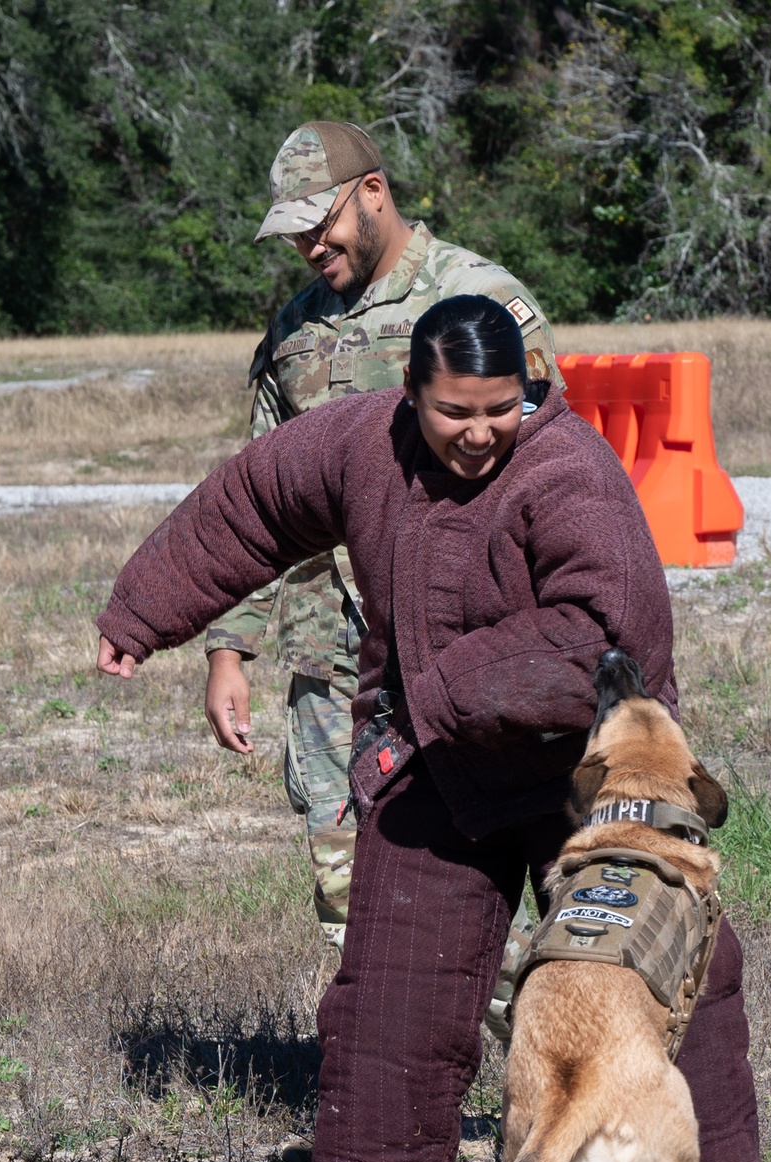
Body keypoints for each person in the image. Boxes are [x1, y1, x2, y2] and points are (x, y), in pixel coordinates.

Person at [97, 295, 771, 1162]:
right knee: (387, 1017)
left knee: (681, 975)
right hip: (434, 770)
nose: (480, 431)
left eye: (501, 408)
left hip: (585, 777)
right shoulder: (357, 445)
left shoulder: (568, 472)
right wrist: (143, 612)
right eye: (456, 411)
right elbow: (248, 509)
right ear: (411, 395)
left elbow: (599, 633)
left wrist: (439, 691)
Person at [204, 120, 561, 955]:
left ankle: (559, 1068)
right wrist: (231, 649)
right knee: (352, 897)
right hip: (330, 661)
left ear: (373, 193)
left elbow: (553, 472)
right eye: (291, 232)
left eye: (317, 222)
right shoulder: (295, 330)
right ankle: (408, 1075)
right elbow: (258, 497)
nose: (307, 244)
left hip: (463, 648)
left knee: (487, 884)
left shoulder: (476, 299)